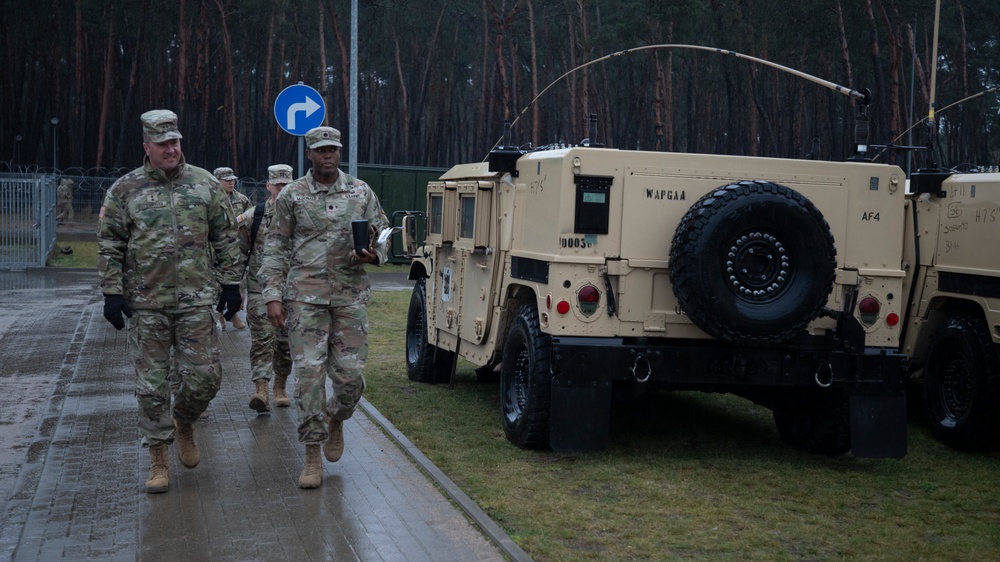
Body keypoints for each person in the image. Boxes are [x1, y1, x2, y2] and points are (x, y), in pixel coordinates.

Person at [97, 109, 243, 494]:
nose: (171, 149)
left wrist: (231, 286)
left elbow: (226, 238)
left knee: (206, 378)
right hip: (147, 305)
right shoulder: (125, 190)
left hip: (196, 302)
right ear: (147, 146)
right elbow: (110, 242)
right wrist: (112, 292)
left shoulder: (205, 184)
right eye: (163, 144)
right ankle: (158, 458)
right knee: (151, 386)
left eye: (175, 142)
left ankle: (184, 420)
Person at [259, 126, 389, 489]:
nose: (328, 155)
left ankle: (336, 418)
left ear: (339, 151)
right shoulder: (292, 196)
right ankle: (312, 455)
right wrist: (272, 295)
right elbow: (275, 248)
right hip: (305, 300)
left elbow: (384, 233)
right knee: (309, 378)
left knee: (349, 380)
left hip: (349, 298)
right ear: (310, 154)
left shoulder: (360, 192)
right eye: (321, 150)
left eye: (333, 149)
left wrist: (375, 254)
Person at [237, 164, 294, 414]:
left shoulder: (301, 215)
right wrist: (235, 288)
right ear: (268, 186)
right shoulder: (254, 216)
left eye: (286, 185)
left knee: (286, 344)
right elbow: (238, 253)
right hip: (260, 289)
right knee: (262, 338)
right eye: (277, 185)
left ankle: (280, 387)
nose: (281, 190)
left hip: (293, 291)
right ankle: (261, 388)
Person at [213, 166, 251, 331]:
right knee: (218, 284)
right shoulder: (212, 200)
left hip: (237, 249)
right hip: (217, 250)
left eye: (232, 180)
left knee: (237, 285)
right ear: (218, 181)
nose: (231, 183)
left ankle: (234, 312)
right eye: (227, 180)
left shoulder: (241, 200)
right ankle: (219, 312)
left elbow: (250, 220)